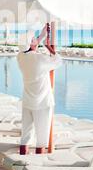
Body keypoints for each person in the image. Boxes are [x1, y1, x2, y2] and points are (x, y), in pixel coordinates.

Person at [16, 24, 62, 155]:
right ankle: (36, 165)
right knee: (42, 139)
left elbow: (30, 48)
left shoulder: (20, 57)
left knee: (25, 136)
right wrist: (49, 48)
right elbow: (58, 61)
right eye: (33, 38)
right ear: (31, 44)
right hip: (42, 103)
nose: (35, 38)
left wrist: (42, 35)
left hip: (27, 102)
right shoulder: (40, 59)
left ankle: (22, 163)